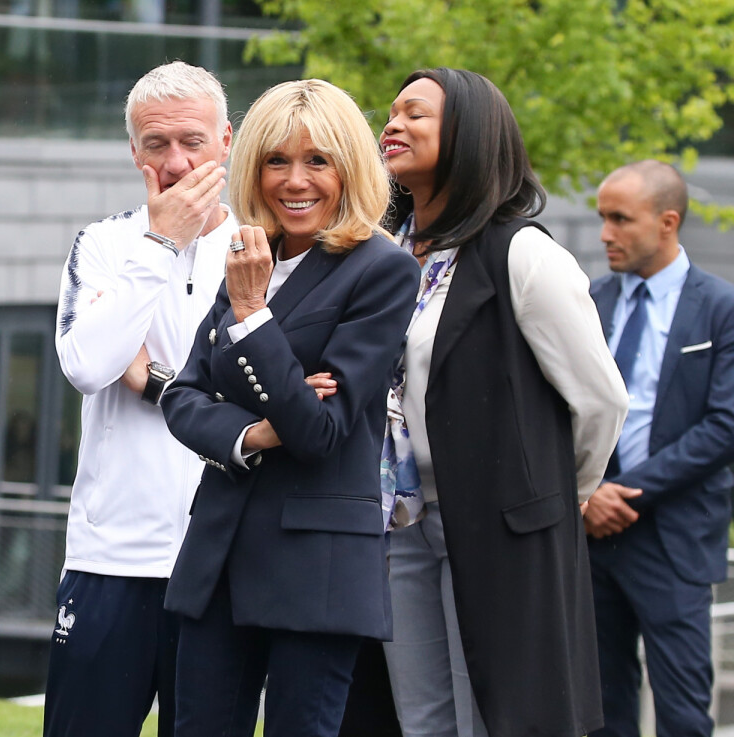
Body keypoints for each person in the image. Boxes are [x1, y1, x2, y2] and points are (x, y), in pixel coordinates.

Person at [161, 78, 421, 737]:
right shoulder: (254, 255)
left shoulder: (381, 269)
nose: (295, 180)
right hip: (219, 555)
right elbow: (184, 396)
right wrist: (253, 432)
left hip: (319, 569)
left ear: (349, 168)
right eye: (277, 160)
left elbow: (320, 430)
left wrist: (251, 317)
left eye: (318, 160)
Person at [377, 67, 627, 737]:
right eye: (391, 113)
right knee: (421, 720)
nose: (391, 124)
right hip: (398, 522)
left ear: (470, 132)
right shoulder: (385, 256)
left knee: (495, 718)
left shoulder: (521, 254)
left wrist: (551, 493)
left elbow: (600, 399)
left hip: (498, 523)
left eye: (415, 114)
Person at [46, 61, 236, 737]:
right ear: (133, 150)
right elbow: (90, 362)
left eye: (192, 140)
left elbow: (261, 392)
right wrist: (163, 242)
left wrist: (156, 376)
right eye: (157, 144)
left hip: (220, 562)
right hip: (110, 558)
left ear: (227, 140)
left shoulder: (258, 247)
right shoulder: (105, 243)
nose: (177, 161)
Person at [587, 160, 734, 737]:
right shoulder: (589, 299)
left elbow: (725, 425)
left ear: (667, 222)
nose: (605, 234)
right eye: (601, 218)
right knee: (599, 709)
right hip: (590, 532)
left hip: (673, 534)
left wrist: (626, 493)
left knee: (682, 713)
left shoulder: (720, 307)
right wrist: (589, 493)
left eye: (620, 220)